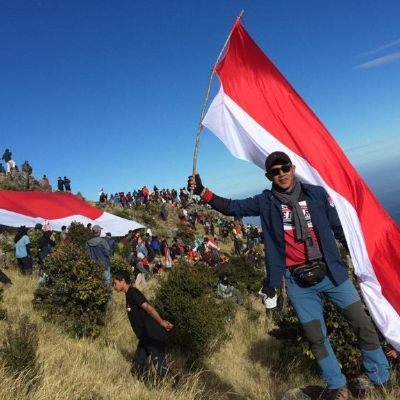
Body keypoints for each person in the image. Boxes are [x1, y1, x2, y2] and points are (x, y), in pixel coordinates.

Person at [188, 151, 389, 400]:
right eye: (275, 171)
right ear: (268, 176)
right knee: (316, 337)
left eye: (284, 168)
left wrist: (361, 259)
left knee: (362, 324)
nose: (281, 174)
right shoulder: (266, 201)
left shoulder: (316, 194)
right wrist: (202, 191)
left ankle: (380, 378)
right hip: (299, 282)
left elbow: (338, 228)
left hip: (332, 273)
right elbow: (232, 207)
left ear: (293, 168)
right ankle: (337, 386)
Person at [112, 270, 173, 379]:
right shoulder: (128, 294)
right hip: (145, 336)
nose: (113, 286)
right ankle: (149, 384)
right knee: (137, 366)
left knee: (160, 367)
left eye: (115, 283)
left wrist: (161, 322)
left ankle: (177, 383)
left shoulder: (133, 293)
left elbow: (148, 308)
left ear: (122, 281)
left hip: (152, 334)